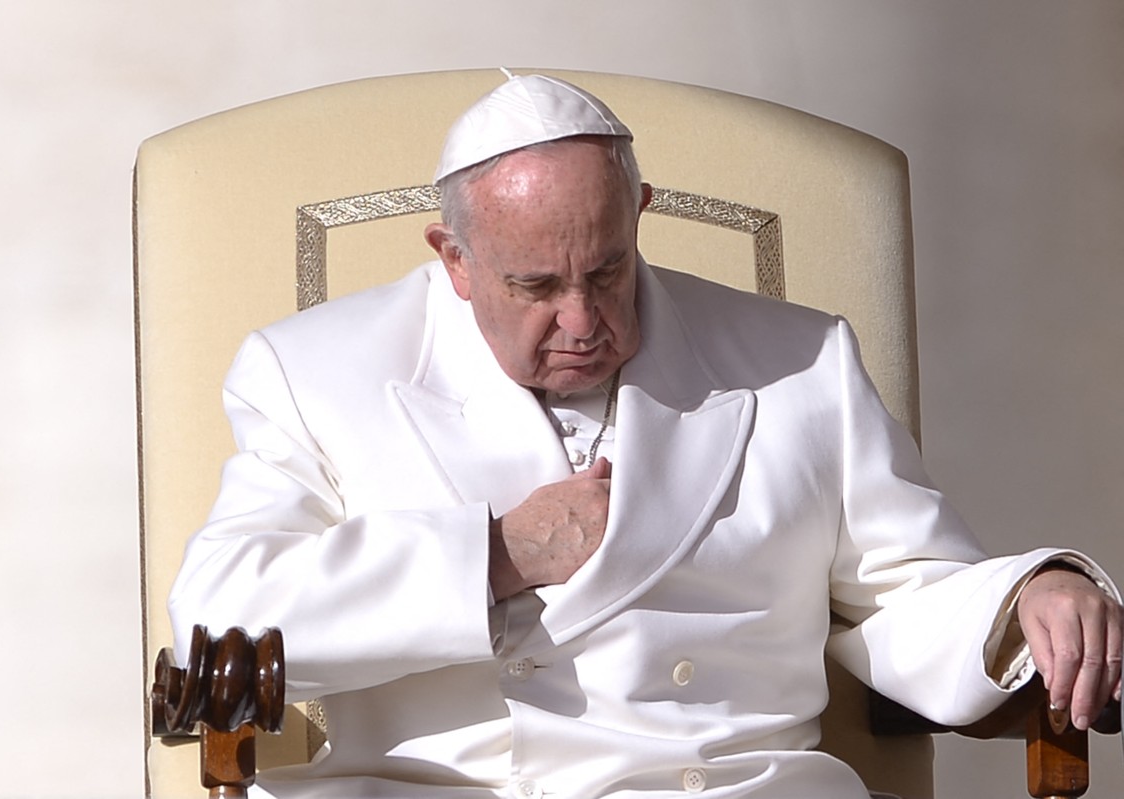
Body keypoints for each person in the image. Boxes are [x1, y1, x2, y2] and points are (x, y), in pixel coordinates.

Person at [169, 74, 1122, 798]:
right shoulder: (312, 371)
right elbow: (218, 626)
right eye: (536, 286)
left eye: (607, 270)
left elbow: (908, 591)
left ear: (640, 214)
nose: (582, 319)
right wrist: (495, 555)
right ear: (453, 258)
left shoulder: (800, 361)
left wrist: (1030, 597)